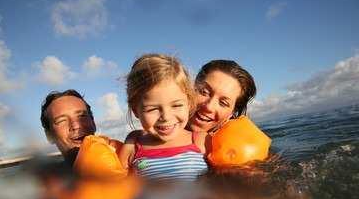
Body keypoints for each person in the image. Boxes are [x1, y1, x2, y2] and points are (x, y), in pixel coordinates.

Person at [119, 53, 212, 181]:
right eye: (153, 109)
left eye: (176, 105)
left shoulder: (203, 141)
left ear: (189, 102)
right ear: (135, 110)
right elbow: (117, 192)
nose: (166, 117)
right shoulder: (132, 148)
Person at [187, 59, 256, 134]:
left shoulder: (227, 145)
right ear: (192, 88)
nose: (209, 107)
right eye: (204, 92)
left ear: (231, 114)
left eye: (223, 103)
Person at [40, 89, 97, 166]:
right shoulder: (45, 176)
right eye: (62, 121)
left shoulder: (119, 159)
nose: (76, 126)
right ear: (49, 136)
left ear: (93, 123)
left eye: (81, 116)